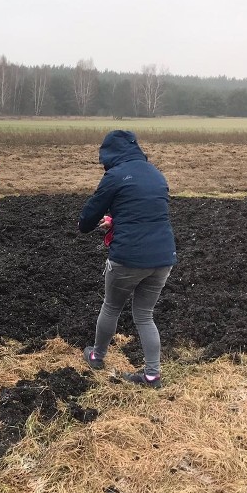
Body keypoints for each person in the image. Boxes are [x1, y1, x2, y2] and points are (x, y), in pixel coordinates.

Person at [78, 130, 176, 388]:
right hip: (164, 257)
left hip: (128, 258)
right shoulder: (156, 174)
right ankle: (152, 375)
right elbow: (145, 211)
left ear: (110, 154)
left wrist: (93, 221)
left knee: (111, 307)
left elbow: (86, 221)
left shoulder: (115, 176)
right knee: (145, 314)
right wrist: (116, 219)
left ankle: (97, 356)